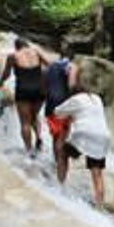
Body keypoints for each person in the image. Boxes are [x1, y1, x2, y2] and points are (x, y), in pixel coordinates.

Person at [52, 83, 111, 208]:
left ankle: (59, 186)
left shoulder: (75, 99)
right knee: (97, 171)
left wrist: (69, 117)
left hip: (84, 134)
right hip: (103, 136)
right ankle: (99, 204)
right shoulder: (96, 98)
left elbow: (57, 112)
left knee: (63, 153)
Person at [0, 38, 48, 155]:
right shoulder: (36, 52)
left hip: (23, 90)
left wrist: (0, 83)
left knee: (25, 122)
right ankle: (39, 136)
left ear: (16, 47)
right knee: (35, 116)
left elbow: (6, 74)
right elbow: (49, 65)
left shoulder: (13, 56)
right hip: (39, 90)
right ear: (27, 45)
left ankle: (29, 150)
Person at [44, 52, 80, 182]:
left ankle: (55, 163)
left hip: (50, 104)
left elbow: (45, 85)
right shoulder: (72, 66)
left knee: (55, 137)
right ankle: (61, 171)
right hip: (63, 104)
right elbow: (71, 84)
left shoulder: (49, 67)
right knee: (62, 138)